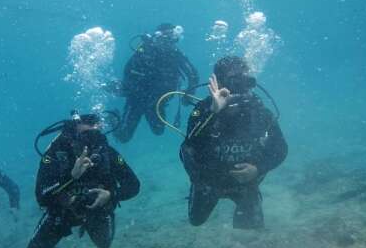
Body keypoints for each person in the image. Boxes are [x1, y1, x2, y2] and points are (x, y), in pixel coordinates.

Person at [0, 112, 140, 248]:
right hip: (63, 212)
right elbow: (42, 195)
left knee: (104, 244)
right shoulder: (54, 154)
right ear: (72, 133)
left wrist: (110, 195)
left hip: (97, 209)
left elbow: (133, 185)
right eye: (85, 135)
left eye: (95, 134)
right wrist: (70, 176)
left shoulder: (107, 152)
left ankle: (98, 219)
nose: (90, 142)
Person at [180, 56, 287, 230]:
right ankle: (203, 192)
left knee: (251, 232)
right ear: (220, 82)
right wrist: (213, 113)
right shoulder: (203, 110)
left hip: (245, 182)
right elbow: (188, 149)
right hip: (209, 182)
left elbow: (280, 148)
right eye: (234, 81)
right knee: (196, 220)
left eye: (246, 81)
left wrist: (258, 169)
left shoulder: (259, 112)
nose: (242, 86)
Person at [115, 23, 199, 143]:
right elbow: (127, 72)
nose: (167, 42)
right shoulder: (145, 50)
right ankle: (113, 117)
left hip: (157, 102)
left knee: (158, 131)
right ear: (157, 36)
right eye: (164, 37)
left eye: (171, 38)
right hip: (136, 99)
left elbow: (193, 74)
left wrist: (189, 94)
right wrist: (129, 88)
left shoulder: (175, 54)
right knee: (123, 137)